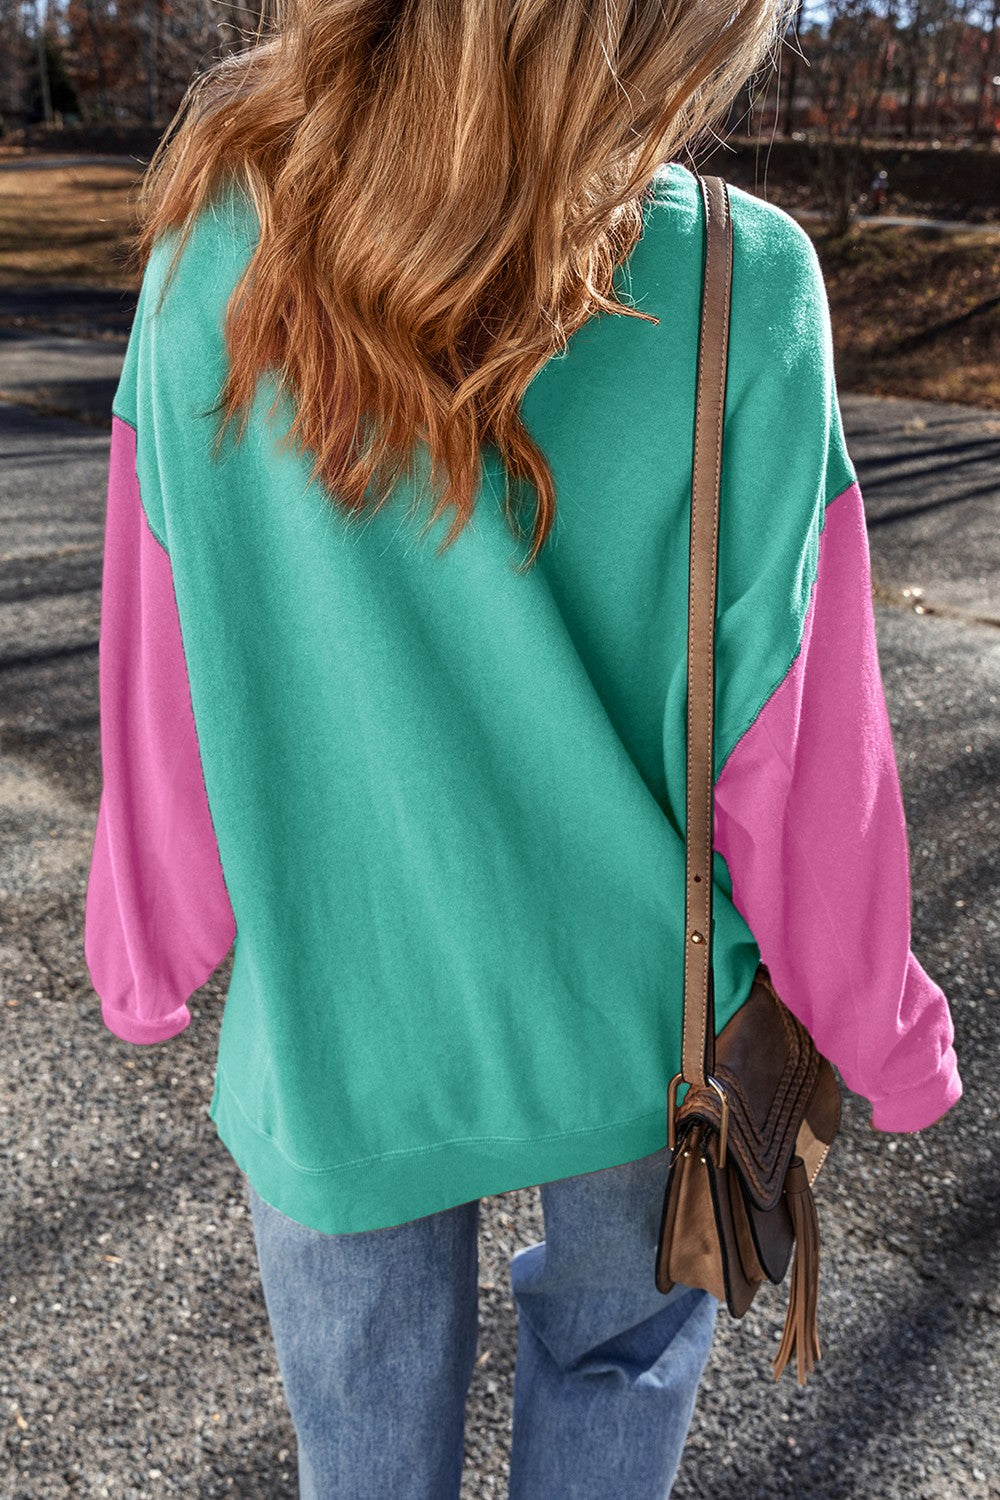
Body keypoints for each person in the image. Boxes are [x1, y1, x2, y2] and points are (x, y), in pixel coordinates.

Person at [83, 2, 962, 1495]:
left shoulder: (214, 253)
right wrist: (879, 1024)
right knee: (618, 1378)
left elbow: (167, 654)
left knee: (361, 1444)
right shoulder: (740, 279)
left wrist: (147, 947)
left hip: (336, 1018)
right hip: (641, 1025)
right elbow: (799, 740)